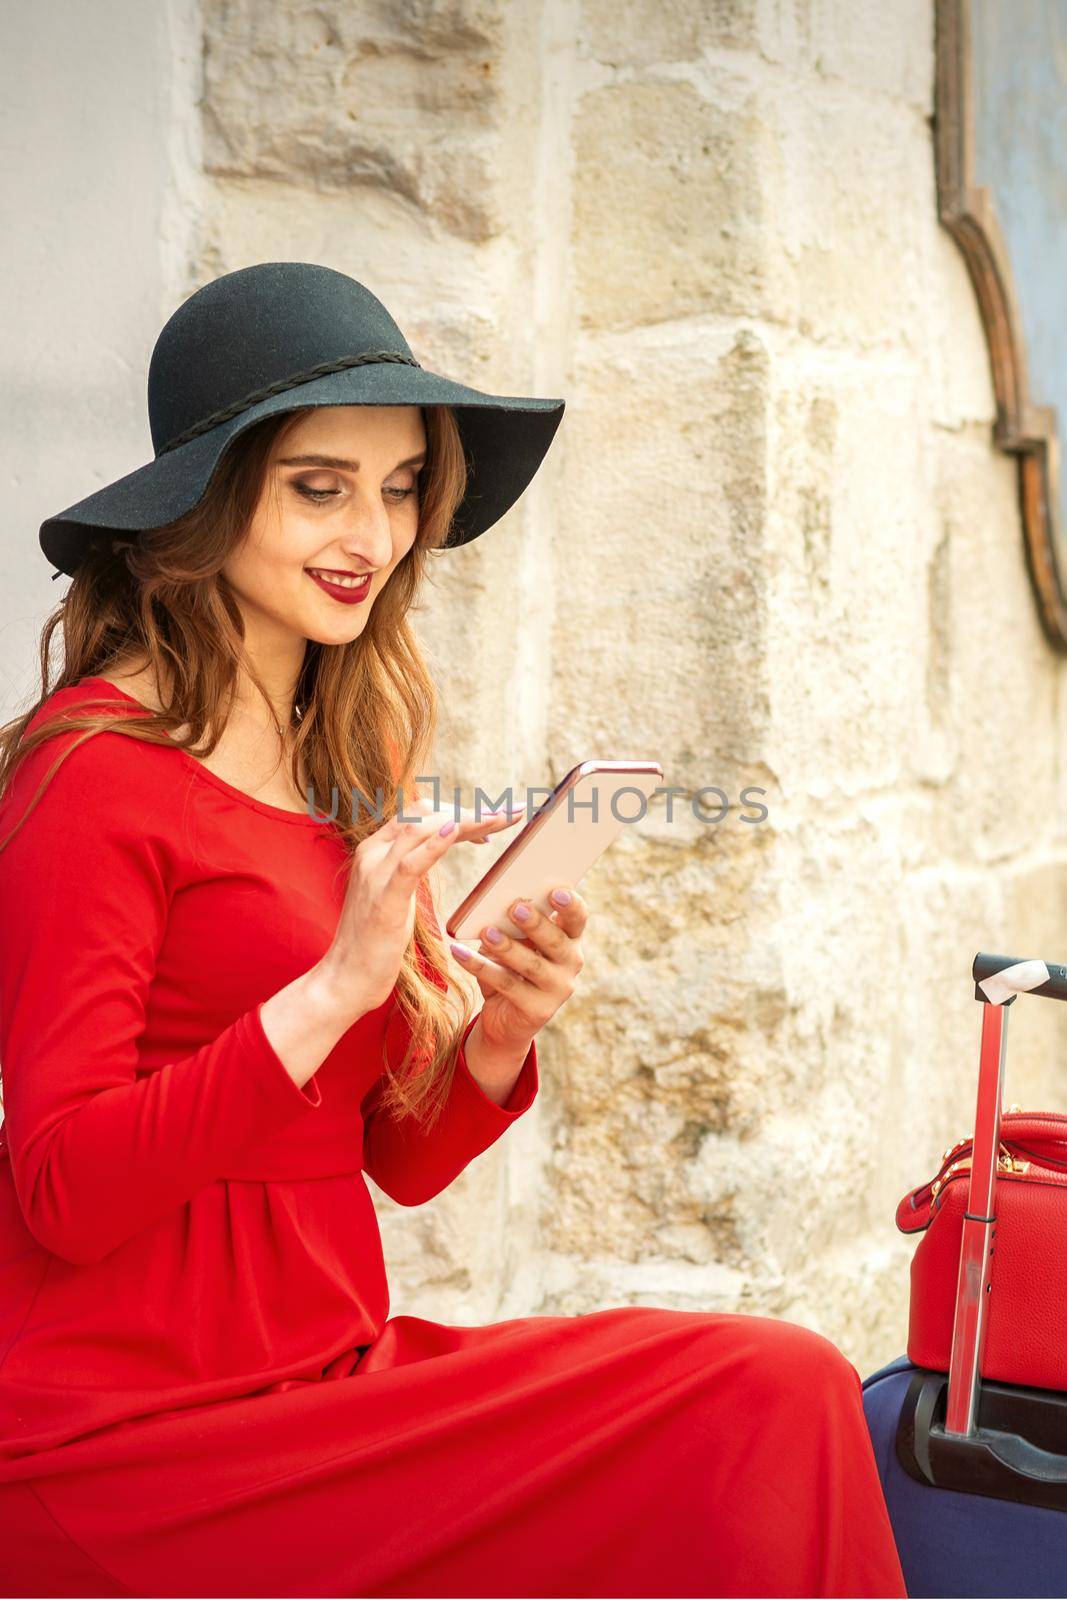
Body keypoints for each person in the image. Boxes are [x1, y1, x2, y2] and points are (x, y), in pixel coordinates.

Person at [0, 263, 906, 1598]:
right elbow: (61, 1190)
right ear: (204, 499)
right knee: (751, 1405)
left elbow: (386, 1162)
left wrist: (493, 1035)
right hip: (128, 1441)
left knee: (777, 1388)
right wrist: (335, 987)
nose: (371, 531)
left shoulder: (339, 767)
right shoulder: (88, 774)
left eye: (402, 485)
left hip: (323, 1381)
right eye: (321, 486)